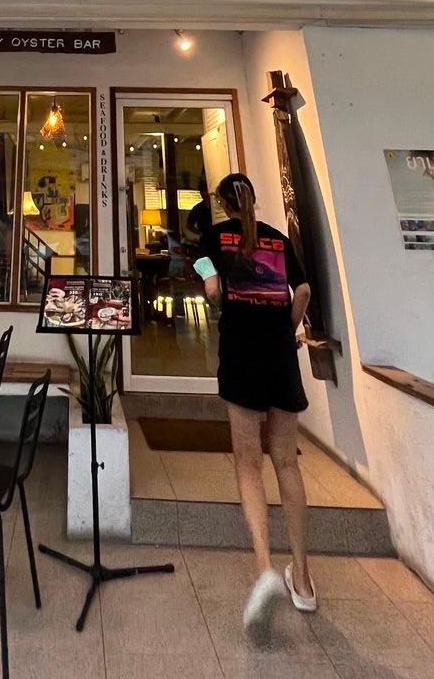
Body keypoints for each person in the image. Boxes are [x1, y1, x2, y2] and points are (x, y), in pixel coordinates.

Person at [195, 172, 316, 638]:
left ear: (221, 204)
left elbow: (212, 289)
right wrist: (287, 329)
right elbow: (302, 291)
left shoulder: (213, 239)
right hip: (280, 355)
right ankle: (302, 577)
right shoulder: (278, 239)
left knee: (248, 461)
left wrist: (220, 295)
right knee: (286, 461)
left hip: (241, 354)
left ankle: (265, 567)